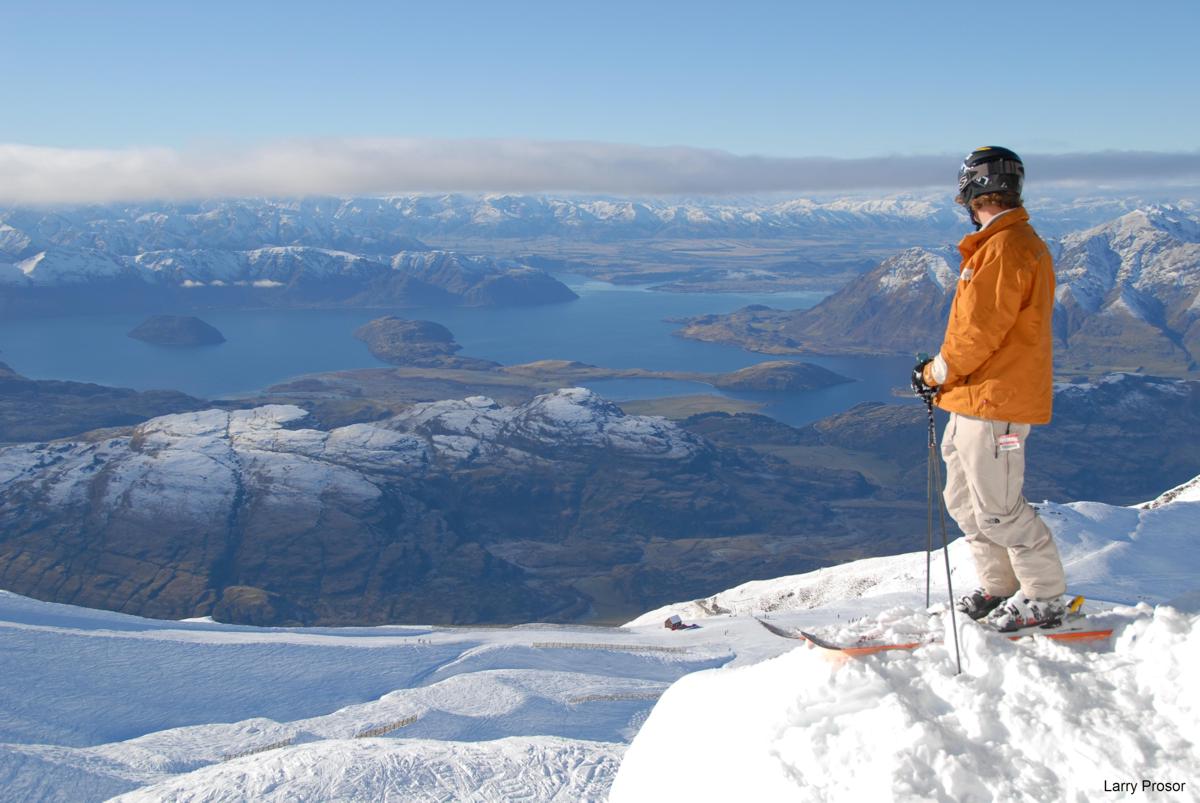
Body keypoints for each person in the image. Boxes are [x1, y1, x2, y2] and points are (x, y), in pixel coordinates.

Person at [912, 146, 1067, 632]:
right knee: (963, 500)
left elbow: (976, 333)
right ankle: (999, 586)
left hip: (995, 400)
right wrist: (947, 380)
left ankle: (1044, 596)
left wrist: (935, 373)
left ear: (969, 190)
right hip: (974, 398)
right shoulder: (1000, 244)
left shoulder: (1005, 248)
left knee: (999, 508)